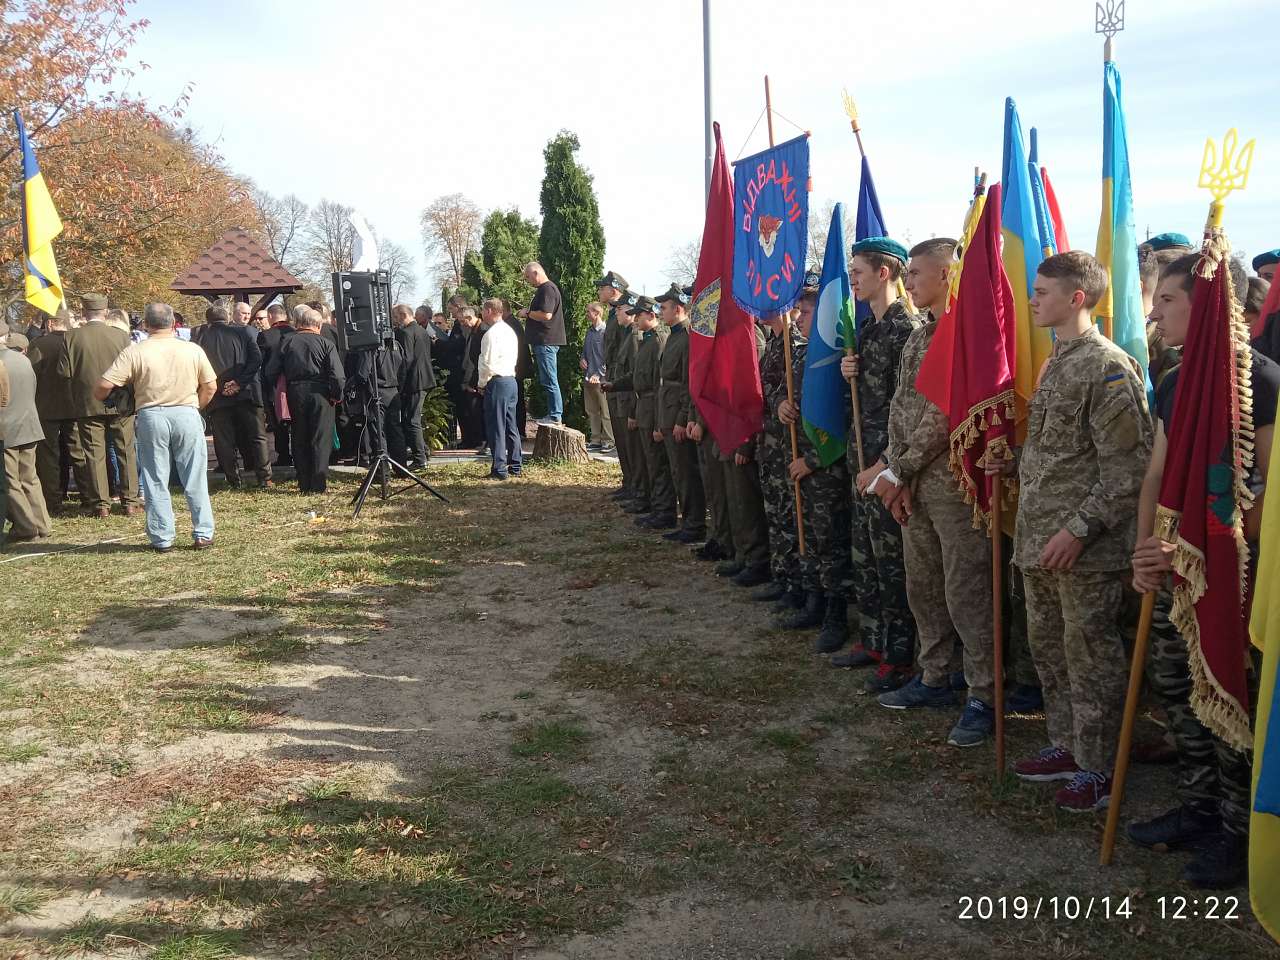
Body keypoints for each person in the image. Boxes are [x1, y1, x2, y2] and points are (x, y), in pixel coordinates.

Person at [1128, 252, 1277, 887]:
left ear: (1210, 304)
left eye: (1168, 300)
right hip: (1172, 565)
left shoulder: (1260, 380)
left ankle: (1239, 833)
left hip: (1234, 574)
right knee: (1178, 688)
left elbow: (1268, 488)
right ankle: (1198, 807)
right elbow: (1157, 473)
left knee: (1229, 694)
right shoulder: (1174, 378)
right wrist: (1145, 550)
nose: (1155, 313)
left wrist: (1205, 547)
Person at [995, 251, 1151, 812]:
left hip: (1085, 550)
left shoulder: (1107, 367)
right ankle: (1067, 743)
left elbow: (1128, 470)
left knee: (1090, 657)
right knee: (1050, 651)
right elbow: (1062, 454)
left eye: (1042, 292)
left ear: (1076, 297)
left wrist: (1079, 531)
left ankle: (1100, 765)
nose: (1032, 300)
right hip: (1041, 541)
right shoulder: (1058, 361)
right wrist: (1012, 461)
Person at [862, 239, 997, 747]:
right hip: (914, 482)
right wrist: (897, 470)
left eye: (917, 273)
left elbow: (945, 415)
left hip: (954, 485)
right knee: (924, 587)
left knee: (967, 592)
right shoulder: (920, 336)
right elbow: (902, 409)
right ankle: (935, 674)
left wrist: (901, 469)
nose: (910, 281)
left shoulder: (965, 333)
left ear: (946, 275)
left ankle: (984, 693)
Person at [837, 238, 919, 691]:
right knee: (865, 557)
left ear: (883, 273)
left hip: (887, 466)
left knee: (892, 565)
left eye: (858, 271)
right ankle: (873, 639)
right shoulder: (868, 330)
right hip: (861, 458)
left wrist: (887, 463)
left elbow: (907, 410)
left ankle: (900, 655)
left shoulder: (907, 329)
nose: (852, 279)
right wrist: (849, 370)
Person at [96, 303, 218, 551]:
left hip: (151, 415)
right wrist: (195, 407)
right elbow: (211, 386)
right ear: (173, 323)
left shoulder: (135, 351)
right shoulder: (192, 349)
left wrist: (117, 397)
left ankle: (162, 537)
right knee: (194, 475)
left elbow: (103, 386)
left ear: (145, 325)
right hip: (186, 411)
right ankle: (203, 533)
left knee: (155, 478)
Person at [776, 286, 853, 634]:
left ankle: (836, 613)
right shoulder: (800, 355)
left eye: (805, 314)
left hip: (826, 468)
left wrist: (811, 460)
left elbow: (841, 418)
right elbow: (784, 391)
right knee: (806, 533)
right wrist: (782, 405)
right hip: (799, 462)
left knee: (829, 539)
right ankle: (814, 600)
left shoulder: (836, 357)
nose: (798, 319)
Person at [60, 292, 140, 518]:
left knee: (94, 454)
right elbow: (131, 370)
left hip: (88, 402)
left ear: (83, 312)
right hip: (121, 402)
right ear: (105, 312)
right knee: (126, 450)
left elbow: (64, 372)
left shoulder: (70, 337)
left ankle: (101, 505)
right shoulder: (121, 336)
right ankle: (130, 502)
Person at [265, 305, 345, 494]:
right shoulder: (326, 343)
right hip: (321, 392)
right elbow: (338, 375)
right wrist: (336, 395)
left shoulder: (286, 341)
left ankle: (304, 482)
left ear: (299, 323)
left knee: (299, 435)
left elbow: (271, 371)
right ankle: (318, 483)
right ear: (318, 325)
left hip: (295, 390)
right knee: (320, 437)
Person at [198, 304, 271, 489]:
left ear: (208, 320)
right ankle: (264, 477)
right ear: (228, 316)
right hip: (246, 391)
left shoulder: (200, 339)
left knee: (224, 440)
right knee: (257, 436)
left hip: (217, 394)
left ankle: (234, 480)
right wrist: (239, 382)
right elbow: (256, 359)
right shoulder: (244, 333)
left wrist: (220, 386)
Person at [655, 284, 706, 544]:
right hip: (667, 408)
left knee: (686, 473)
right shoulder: (673, 335)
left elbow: (687, 383)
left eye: (664, 307)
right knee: (677, 472)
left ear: (678, 309)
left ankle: (694, 524)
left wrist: (681, 418)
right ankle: (687, 521)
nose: (660, 312)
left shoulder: (687, 336)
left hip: (677, 411)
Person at [26, 309, 88, 513]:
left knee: (48, 456)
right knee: (79, 453)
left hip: (46, 407)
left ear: (50, 323)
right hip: (76, 405)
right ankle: (89, 497)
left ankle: (53, 501)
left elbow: (31, 375)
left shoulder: (39, 344)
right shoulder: (77, 341)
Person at [627, 297, 676, 529]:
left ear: (651, 315)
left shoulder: (658, 341)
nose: (635, 319)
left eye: (639, 315)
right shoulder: (646, 340)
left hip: (654, 407)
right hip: (644, 406)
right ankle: (657, 508)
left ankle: (664, 511)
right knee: (651, 462)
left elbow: (659, 385)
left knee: (659, 464)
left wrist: (658, 423)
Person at [0, 322, 51, 542]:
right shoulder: (22, 359)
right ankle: (42, 524)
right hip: (29, 424)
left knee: (10, 481)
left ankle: (25, 527)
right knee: (29, 477)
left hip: (7, 429)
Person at [478, 298, 522, 480]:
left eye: (483, 310)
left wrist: (482, 383)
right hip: (511, 380)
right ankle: (515, 464)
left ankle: (499, 468)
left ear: (489, 311)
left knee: (496, 425)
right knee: (511, 425)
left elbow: (486, 362)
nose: (481, 314)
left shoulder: (491, 334)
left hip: (497, 381)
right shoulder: (509, 331)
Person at [519, 261, 566, 426]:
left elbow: (546, 315)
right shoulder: (545, 289)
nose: (528, 280)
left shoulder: (547, 289)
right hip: (544, 342)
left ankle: (555, 415)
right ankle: (553, 414)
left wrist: (527, 313)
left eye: (528, 277)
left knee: (550, 379)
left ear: (536, 273)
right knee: (548, 379)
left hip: (546, 342)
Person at [393, 303, 434, 469]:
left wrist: (399, 383)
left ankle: (420, 458)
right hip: (423, 378)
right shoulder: (421, 330)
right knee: (412, 418)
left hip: (414, 381)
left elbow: (406, 360)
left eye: (396, 317)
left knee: (411, 420)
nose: (396, 321)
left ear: (403, 315)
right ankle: (423, 451)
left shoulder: (406, 333)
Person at [258, 304, 295, 466]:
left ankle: (284, 455)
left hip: (273, 386)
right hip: (294, 383)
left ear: (270, 316)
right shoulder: (295, 333)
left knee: (278, 423)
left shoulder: (265, 336)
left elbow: (260, 362)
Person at [580, 301, 613, 452]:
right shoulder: (590, 331)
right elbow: (585, 351)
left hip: (602, 379)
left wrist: (599, 374)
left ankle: (608, 441)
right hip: (588, 377)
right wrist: (582, 359)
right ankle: (595, 439)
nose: (586, 314)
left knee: (605, 411)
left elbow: (608, 357)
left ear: (597, 313)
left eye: (588, 311)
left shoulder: (606, 332)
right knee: (592, 410)